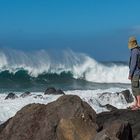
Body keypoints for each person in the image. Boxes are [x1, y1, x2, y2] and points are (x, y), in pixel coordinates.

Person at [128, 36, 140, 110]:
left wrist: (130, 74)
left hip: (136, 72)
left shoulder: (135, 51)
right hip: (137, 72)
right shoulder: (138, 49)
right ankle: (136, 103)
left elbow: (133, 64)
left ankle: (139, 104)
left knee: (136, 88)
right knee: (134, 88)